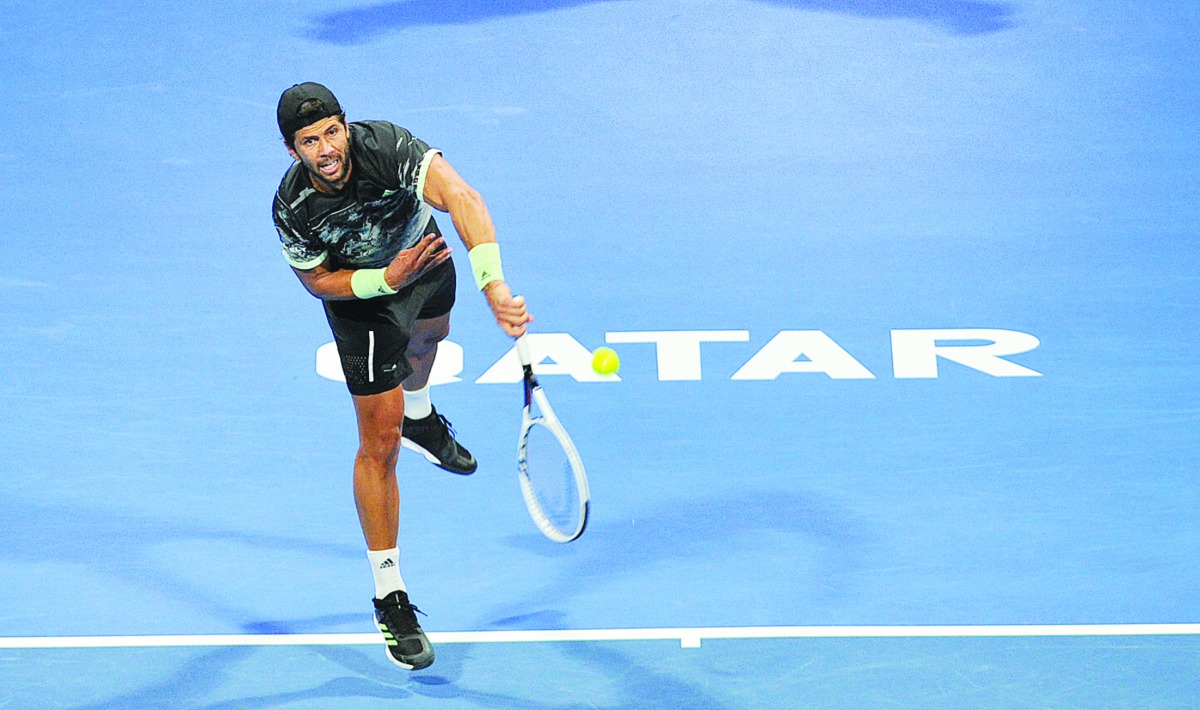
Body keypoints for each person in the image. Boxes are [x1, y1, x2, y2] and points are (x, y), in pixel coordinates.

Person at [272, 82, 531, 671]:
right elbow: (317, 281)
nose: (326, 149)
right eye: (310, 141)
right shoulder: (292, 206)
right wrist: (383, 281)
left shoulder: (386, 146)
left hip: (424, 260)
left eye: (332, 132)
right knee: (378, 444)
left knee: (431, 338)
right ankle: (390, 596)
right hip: (362, 300)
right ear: (293, 150)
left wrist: (492, 284)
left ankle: (422, 417)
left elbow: (461, 195)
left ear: (346, 126)